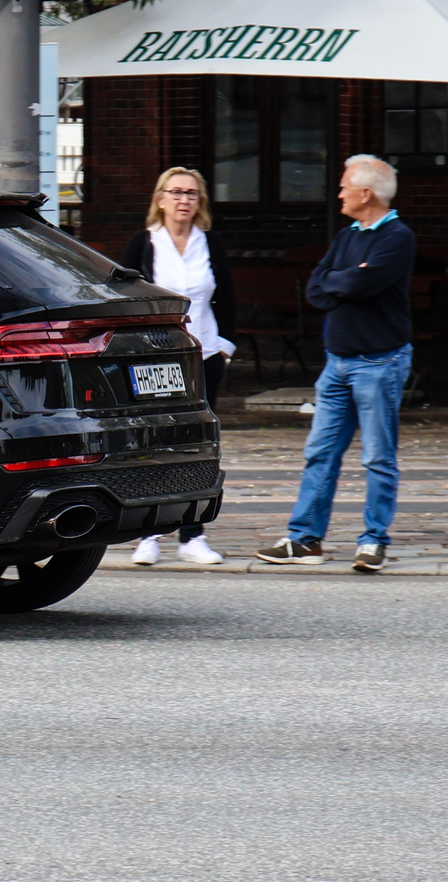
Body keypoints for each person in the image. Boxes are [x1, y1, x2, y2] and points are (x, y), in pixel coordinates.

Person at [257, 154, 416, 574]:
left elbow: (363, 283)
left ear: (366, 194)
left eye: (345, 186)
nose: (339, 193)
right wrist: (345, 280)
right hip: (337, 363)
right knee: (319, 453)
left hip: (379, 362)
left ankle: (373, 539)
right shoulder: (348, 236)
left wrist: (344, 280)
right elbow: (317, 284)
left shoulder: (397, 237)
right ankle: (305, 537)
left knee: (378, 456)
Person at [123, 167, 237, 565]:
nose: (183, 199)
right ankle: (149, 533)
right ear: (160, 199)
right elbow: (124, 298)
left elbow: (228, 296)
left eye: (191, 193)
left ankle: (192, 536)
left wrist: (225, 345)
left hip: (204, 355)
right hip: (156, 359)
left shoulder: (211, 243)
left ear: (199, 201)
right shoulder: (145, 243)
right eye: (175, 192)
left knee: (199, 445)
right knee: (155, 444)